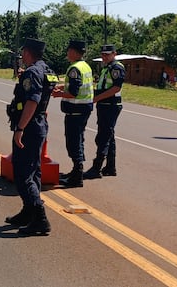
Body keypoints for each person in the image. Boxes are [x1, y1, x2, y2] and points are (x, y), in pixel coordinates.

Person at [5, 38, 56, 236]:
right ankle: (28, 212)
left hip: (29, 127)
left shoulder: (32, 72)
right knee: (33, 171)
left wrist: (20, 129)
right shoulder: (45, 69)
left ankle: (40, 217)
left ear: (27, 52)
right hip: (39, 124)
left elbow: (32, 102)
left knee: (23, 173)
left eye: (23, 52)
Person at [51, 40, 94, 188]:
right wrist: (62, 86)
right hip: (84, 109)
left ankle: (77, 176)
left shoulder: (74, 68)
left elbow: (74, 92)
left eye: (69, 50)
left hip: (76, 110)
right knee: (79, 139)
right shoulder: (85, 66)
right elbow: (77, 85)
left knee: (73, 141)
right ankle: (76, 171)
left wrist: (58, 94)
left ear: (75, 52)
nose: (67, 53)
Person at [84, 44, 125, 179]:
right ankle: (110, 167)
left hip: (110, 105)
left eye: (107, 54)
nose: (104, 57)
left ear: (114, 54)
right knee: (109, 136)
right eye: (103, 54)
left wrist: (96, 99)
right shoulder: (107, 68)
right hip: (105, 104)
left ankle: (96, 168)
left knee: (103, 137)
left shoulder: (116, 68)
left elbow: (116, 88)